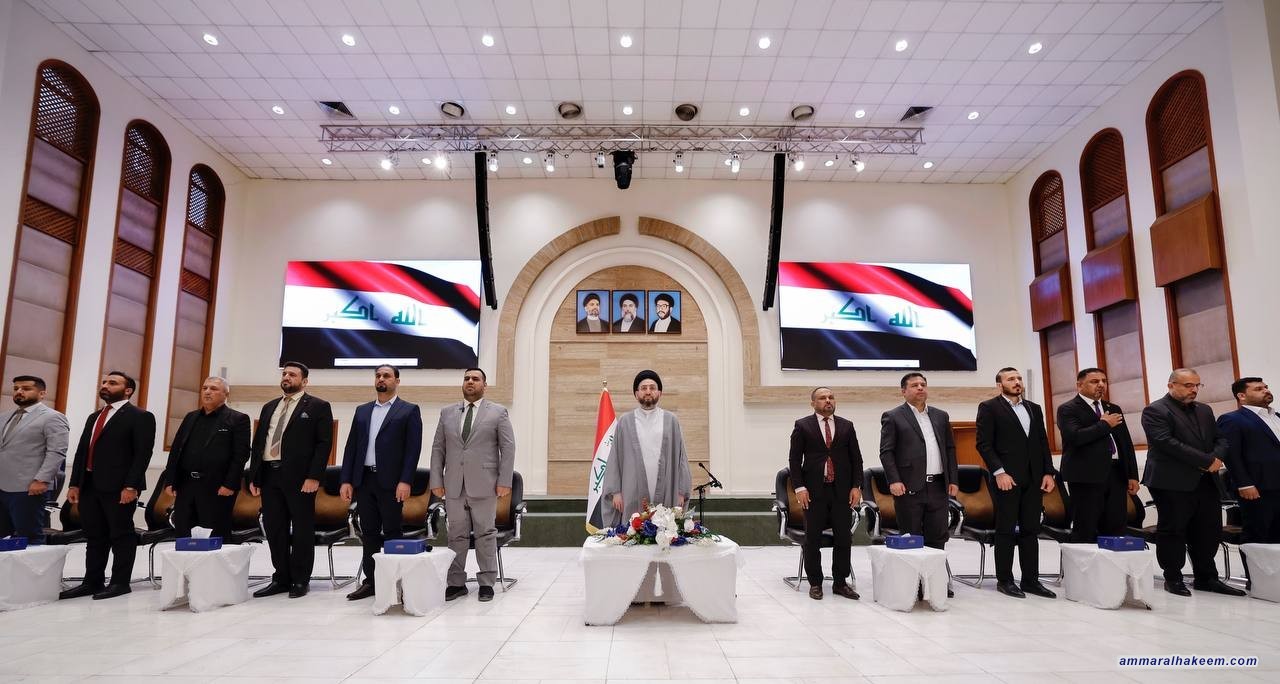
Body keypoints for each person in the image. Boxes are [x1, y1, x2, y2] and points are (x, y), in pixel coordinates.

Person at [1142, 368, 1245, 597]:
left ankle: (1206, 578)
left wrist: (1216, 459)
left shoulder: (1204, 410)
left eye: (1197, 385)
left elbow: (1220, 439)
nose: (1194, 390)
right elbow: (1165, 442)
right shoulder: (1155, 410)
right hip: (1171, 480)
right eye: (1188, 385)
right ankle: (1173, 578)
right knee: (1173, 530)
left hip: (1206, 480)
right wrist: (1206, 461)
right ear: (1171, 385)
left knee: (1208, 530)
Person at [60, 372, 155, 600]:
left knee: (121, 534)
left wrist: (131, 486)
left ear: (128, 390)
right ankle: (92, 582)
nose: (105, 385)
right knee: (94, 535)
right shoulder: (95, 416)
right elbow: (82, 451)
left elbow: (142, 454)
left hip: (119, 487)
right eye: (104, 382)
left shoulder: (140, 416)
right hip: (90, 484)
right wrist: (75, 484)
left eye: (112, 383)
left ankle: (120, 582)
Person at [248, 362, 333, 599]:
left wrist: (314, 476)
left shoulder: (318, 406)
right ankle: (281, 578)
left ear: (304, 381)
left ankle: (300, 579)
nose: (286, 377)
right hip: (269, 475)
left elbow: (323, 444)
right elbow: (259, 443)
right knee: (275, 528)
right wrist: (255, 476)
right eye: (284, 373)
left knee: (302, 528)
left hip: (300, 478)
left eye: (292, 375)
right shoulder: (269, 407)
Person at [430, 368, 515, 602]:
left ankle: (486, 583)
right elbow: (438, 449)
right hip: (454, 484)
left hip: (485, 484)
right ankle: (456, 583)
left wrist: (504, 481)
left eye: (475, 379)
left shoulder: (498, 412)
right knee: (455, 535)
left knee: (485, 534)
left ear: (484, 385)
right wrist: (436, 480)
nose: (470, 382)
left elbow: (508, 448)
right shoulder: (447, 413)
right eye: (467, 378)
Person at [340, 364, 422, 601]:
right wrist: (346, 480)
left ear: (397, 381)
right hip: (364, 479)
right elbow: (351, 447)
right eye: (378, 375)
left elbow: (412, 450)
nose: (381, 379)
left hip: (392, 482)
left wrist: (405, 480)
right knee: (369, 533)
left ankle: (396, 581)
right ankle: (372, 582)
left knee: (393, 532)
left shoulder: (408, 410)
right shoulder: (362, 411)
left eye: (386, 375)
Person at [975, 367, 1057, 599]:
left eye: (1019, 378)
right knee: (1006, 529)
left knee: (1031, 530)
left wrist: (1048, 472)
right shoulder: (989, 408)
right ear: (999, 385)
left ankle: (1031, 580)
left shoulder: (1033, 408)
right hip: (1006, 479)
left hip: (1034, 478)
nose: (1017, 381)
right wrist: (999, 472)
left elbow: (1042, 442)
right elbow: (984, 444)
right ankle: (1005, 580)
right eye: (1011, 379)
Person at [789, 387, 862, 600]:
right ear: (813, 403)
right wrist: (799, 487)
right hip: (814, 492)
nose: (828, 401)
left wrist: (856, 486)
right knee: (812, 539)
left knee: (843, 538)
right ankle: (815, 583)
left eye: (831, 397)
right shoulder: (803, 425)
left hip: (841, 491)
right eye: (822, 398)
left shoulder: (847, 426)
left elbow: (856, 459)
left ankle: (840, 582)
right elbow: (795, 460)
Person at [879, 372, 959, 564]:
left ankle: (935, 577)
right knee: (911, 537)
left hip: (938, 486)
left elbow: (949, 449)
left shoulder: (940, 416)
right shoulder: (893, 416)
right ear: (903, 391)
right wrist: (894, 480)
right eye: (914, 385)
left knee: (938, 536)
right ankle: (913, 579)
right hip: (909, 487)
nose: (920, 388)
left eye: (923, 384)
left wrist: (953, 479)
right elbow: (886, 452)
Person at [162, 377, 250, 539]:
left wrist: (229, 484)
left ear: (226, 394)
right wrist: (170, 480)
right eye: (205, 388)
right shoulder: (191, 417)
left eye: (214, 389)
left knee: (214, 536)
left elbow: (241, 455)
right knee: (183, 535)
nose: (208, 392)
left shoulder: (238, 419)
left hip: (217, 487)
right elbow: (176, 450)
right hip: (187, 485)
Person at [1057, 368, 1139, 542]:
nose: (1101, 385)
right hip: (1085, 476)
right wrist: (1105, 425)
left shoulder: (1113, 408)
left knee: (1116, 526)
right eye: (1095, 381)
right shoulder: (1068, 409)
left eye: (1104, 381)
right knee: (1086, 528)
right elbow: (1075, 437)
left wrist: (1132, 475)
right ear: (1079, 385)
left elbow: (1125, 443)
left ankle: (1113, 559)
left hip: (1116, 474)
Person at [601, 370, 692, 524]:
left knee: (664, 529)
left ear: (659, 393)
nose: (648, 392)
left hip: (666, 489)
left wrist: (681, 492)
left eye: (652, 388)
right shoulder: (625, 422)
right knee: (632, 530)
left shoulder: (671, 421)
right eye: (643, 388)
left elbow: (681, 458)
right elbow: (615, 458)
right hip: (632, 490)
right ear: (636, 394)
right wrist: (615, 491)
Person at [0, 375, 68, 544]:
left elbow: (57, 451)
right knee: (2, 536)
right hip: (2, 485)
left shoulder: (52, 417)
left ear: (42, 393)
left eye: (26, 388)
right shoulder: (4, 416)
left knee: (29, 537)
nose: (19, 392)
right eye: (16, 389)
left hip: (29, 487)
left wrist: (42, 480)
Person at [1217, 377, 1280, 548]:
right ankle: (1255, 568)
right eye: (1258, 389)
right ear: (1241, 396)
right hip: (1258, 488)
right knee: (1258, 536)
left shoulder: (1277, 416)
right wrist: (1244, 483)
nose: (1266, 390)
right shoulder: (1232, 419)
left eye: (1266, 387)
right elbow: (1231, 454)